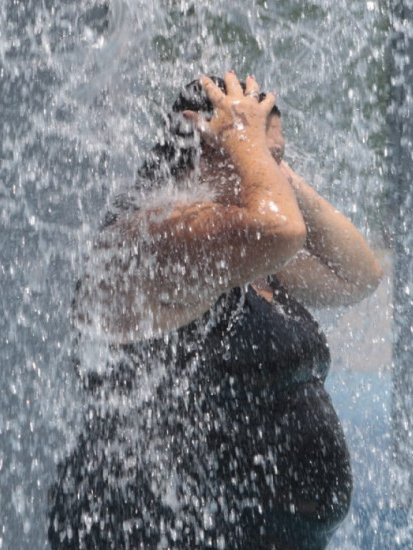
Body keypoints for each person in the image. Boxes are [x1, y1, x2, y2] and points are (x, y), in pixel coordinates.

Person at [48, 71, 383, 550]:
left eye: (275, 160)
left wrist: (277, 169)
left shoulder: (249, 257)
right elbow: (283, 230)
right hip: (159, 527)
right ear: (202, 142)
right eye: (253, 156)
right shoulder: (158, 232)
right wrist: (249, 144)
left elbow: (359, 275)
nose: (266, 173)